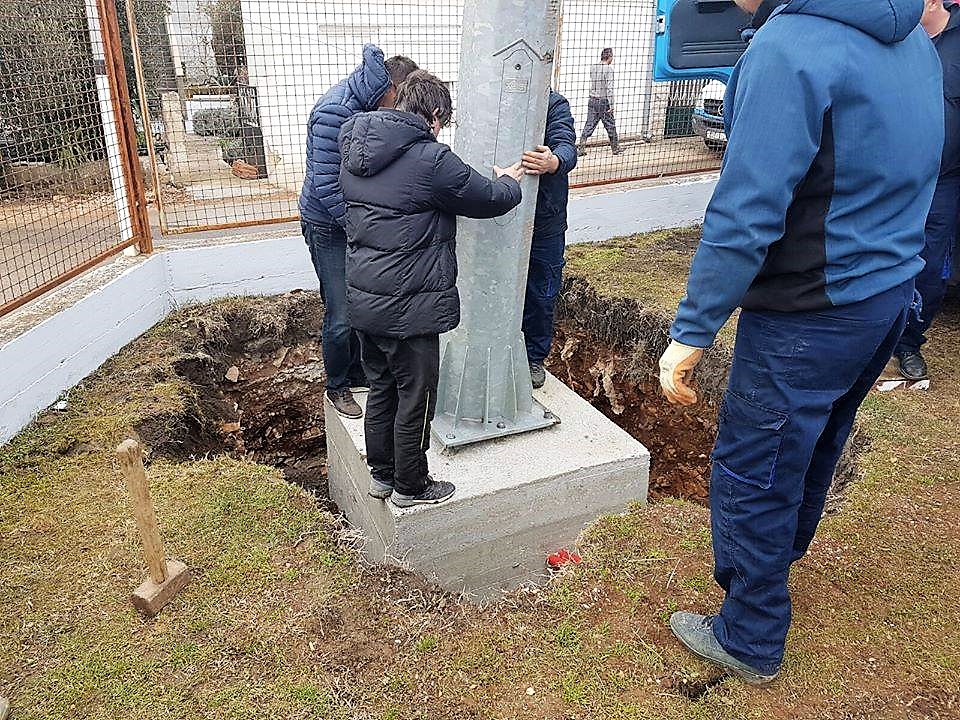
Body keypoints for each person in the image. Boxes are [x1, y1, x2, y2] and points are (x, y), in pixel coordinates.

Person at [657, 0, 942, 685]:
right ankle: (777, 559)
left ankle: (751, 635)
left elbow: (747, 207)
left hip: (811, 309)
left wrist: (692, 329)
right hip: (884, 292)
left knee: (754, 467)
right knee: (813, 444)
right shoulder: (912, 36)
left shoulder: (791, 47)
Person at [338, 70, 524, 508]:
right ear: (435, 114)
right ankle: (412, 486)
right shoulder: (430, 159)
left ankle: (381, 476)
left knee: (381, 387)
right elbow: (487, 198)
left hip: (366, 300)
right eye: (443, 121)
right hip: (410, 305)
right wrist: (510, 181)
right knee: (416, 396)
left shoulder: (356, 148)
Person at [299, 45, 419, 420]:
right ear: (391, 90)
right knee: (340, 311)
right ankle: (337, 385)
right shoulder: (334, 112)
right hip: (327, 224)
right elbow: (326, 183)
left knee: (360, 302)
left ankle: (356, 371)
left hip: (354, 222)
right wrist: (358, 228)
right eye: (402, 100)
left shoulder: (365, 106)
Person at [894, 0, 960, 381]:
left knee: (930, 265)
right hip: (894, 177)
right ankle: (870, 336)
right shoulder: (897, 39)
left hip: (943, 182)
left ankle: (908, 342)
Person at [521, 90, 578, 388]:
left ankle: (533, 358)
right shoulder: (496, 99)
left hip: (546, 221)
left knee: (542, 293)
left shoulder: (553, 104)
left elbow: (567, 146)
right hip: (504, 218)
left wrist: (553, 162)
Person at [577, 48, 620, 157]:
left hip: (592, 99)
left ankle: (581, 147)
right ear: (609, 57)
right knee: (610, 125)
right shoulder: (608, 69)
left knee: (589, 123)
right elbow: (609, 88)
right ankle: (615, 149)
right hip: (603, 100)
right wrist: (612, 104)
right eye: (612, 56)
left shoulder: (593, 67)